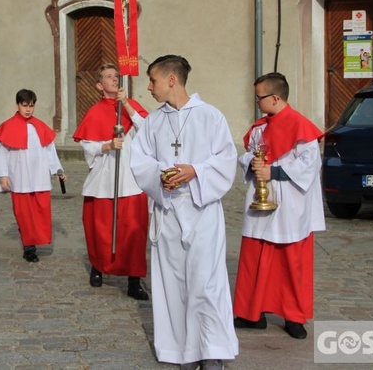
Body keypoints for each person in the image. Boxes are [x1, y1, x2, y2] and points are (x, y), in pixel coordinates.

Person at [130, 55, 238, 370]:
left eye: (153, 80)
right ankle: (179, 351)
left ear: (172, 80)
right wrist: (161, 176)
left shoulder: (211, 116)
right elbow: (141, 160)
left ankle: (210, 350)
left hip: (201, 209)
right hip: (167, 211)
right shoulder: (152, 121)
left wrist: (196, 171)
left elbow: (226, 160)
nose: (149, 87)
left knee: (206, 282)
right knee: (171, 283)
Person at [233, 72, 325, 340]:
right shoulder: (260, 126)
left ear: (275, 97)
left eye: (259, 97)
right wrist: (253, 163)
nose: (257, 102)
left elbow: (308, 164)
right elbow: (249, 152)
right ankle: (252, 314)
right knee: (255, 257)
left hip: (290, 204)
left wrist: (272, 172)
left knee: (291, 260)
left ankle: (294, 318)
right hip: (260, 200)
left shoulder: (301, 126)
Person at [72, 63, 149, 300]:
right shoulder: (94, 111)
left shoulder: (131, 106)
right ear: (99, 85)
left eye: (116, 76)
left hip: (132, 178)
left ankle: (134, 279)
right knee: (101, 229)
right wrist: (106, 145)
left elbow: (149, 130)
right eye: (108, 76)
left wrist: (125, 104)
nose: (114, 79)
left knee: (133, 231)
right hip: (105, 178)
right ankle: (98, 267)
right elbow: (86, 145)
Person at [0, 89, 66, 263]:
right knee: (24, 214)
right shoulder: (8, 126)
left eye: (31, 106)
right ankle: (29, 248)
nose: (28, 109)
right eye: (25, 105)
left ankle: (37, 242)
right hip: (20, 177)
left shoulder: (40, 126)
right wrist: (3, 176)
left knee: (41, 212)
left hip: (40, 177)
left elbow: (50, 151)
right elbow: (1, 154)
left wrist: (58, 171)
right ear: (17, 105)